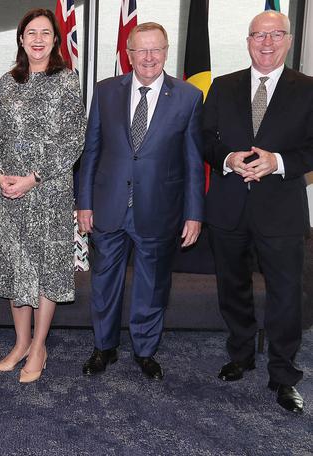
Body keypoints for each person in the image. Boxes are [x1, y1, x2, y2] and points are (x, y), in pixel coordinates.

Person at [77, 22, 204, 381]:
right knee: (104, 283)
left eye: (156, 49)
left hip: (159, 209)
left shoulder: (189, 97)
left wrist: (194, 214)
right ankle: (104, 348)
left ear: (166, 52)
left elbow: (194, 161)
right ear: (128, 54)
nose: (148, 57)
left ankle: (145, 351)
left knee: (152, 285)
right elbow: (91, 151)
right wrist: (84, 203)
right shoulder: (105, 92)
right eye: (140, 50)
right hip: (108, 206)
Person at [203, 10, 313, 414]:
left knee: (286, 296)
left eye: (275, 35)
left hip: (280, 210)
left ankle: (283, 375)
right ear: (247, 41)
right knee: (233, 288)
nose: (266, 43)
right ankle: (241, 354)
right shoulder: (223, 86)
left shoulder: (308, 88)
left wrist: (279, 161)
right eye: (258, 35)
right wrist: (230, 158)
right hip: (229, 207)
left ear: (287, 40)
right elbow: (204, 139)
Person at [0, 8, 86, 383]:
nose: (38, 39)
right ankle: (20, 342)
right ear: (21, 40)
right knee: (14, 266)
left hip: (49, 193)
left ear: (55, 40)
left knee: (45, 270)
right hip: (9, 194)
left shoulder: (67, 81)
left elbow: (74, 139)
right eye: (30, 33)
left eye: (45, 33)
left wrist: (34, 177)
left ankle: (39, 346)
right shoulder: (8, 82)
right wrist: (0, 174)